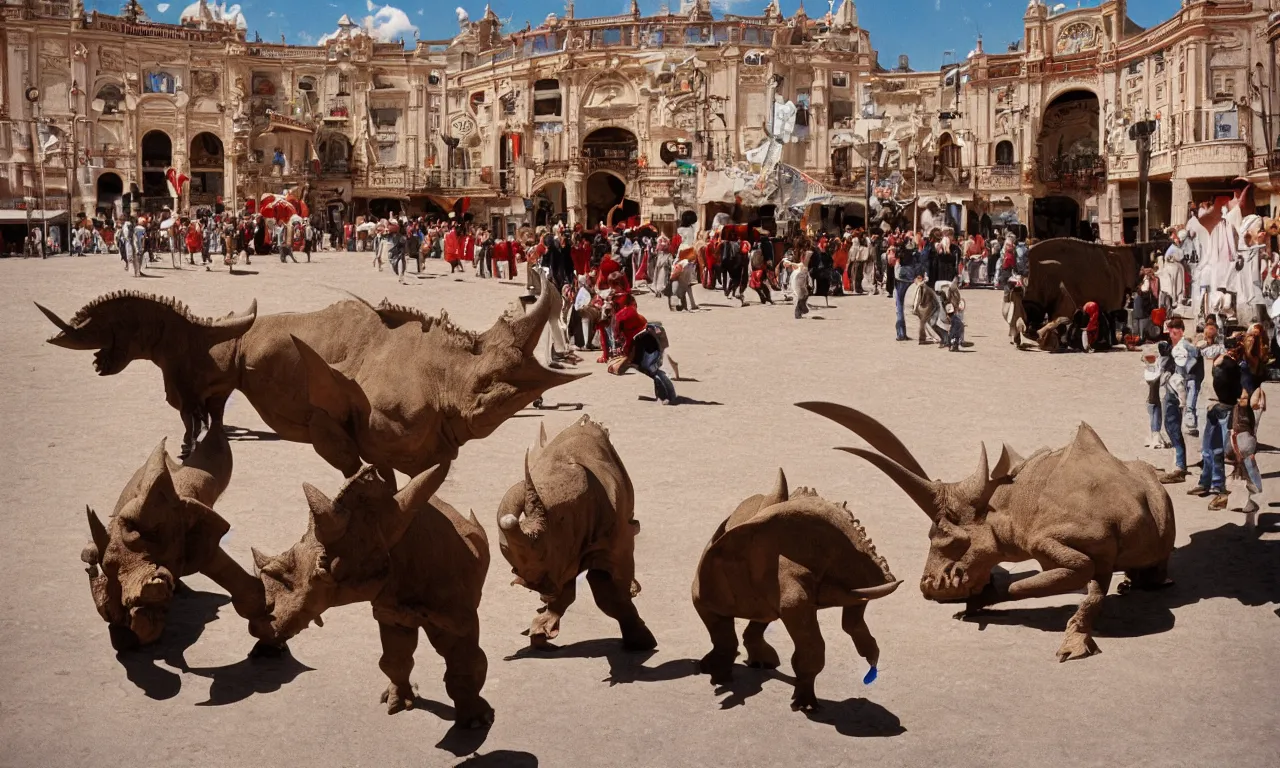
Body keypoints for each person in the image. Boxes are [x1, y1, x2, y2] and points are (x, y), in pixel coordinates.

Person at [1190, 334, 1245, 510]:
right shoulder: (1226, 361)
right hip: (1215, 406)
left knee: (1219, 450)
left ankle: (1218, 486)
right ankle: (1208, 482)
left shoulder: (1233, 365)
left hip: (1225, 408)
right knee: (1209, 448)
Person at [612, 301, 677, 404]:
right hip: (651, 343)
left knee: (653, 371)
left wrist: (626, 358)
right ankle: (669, 395)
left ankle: (664, 397)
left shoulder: (626, 323)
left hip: (646, 345)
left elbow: (628, 344)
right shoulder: (637, 318)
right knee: (655, 370)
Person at [1158, 320, 1190, 483]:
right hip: (1171, 389)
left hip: (1178, 392)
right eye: (1170, 331)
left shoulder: (1184, 348)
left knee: (1173, 427)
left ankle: (1180, 466)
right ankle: (1179, 462)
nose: (1171, 334)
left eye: (1175, 331)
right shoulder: (1171, 348)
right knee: (1170, 426)